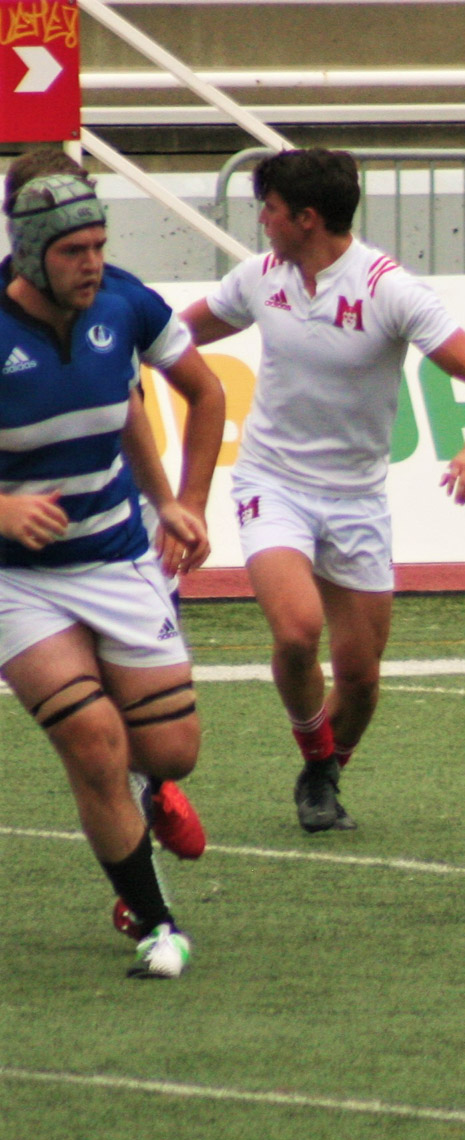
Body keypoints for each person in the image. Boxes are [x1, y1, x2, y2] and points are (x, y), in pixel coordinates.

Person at [180, 148, 465, 833]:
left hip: (357, 499)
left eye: (269, 209)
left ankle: (322, 769)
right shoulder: (259, 277)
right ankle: (316, 758)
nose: (261, 220)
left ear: (306, 218)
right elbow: (176, 333)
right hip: (272, 481)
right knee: (297, 630)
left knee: (359, 679)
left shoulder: (390, 289)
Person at [0, 176, 210, 977]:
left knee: (173, 750)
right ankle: (155, 920)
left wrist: (177, 501)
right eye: (72, 251)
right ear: (29, 252)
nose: (91, 265)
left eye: (97, 247)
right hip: (15, 577)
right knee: (92, 741)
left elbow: (161, 402)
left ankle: (150, 791)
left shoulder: (123, 306)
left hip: (117, 553)